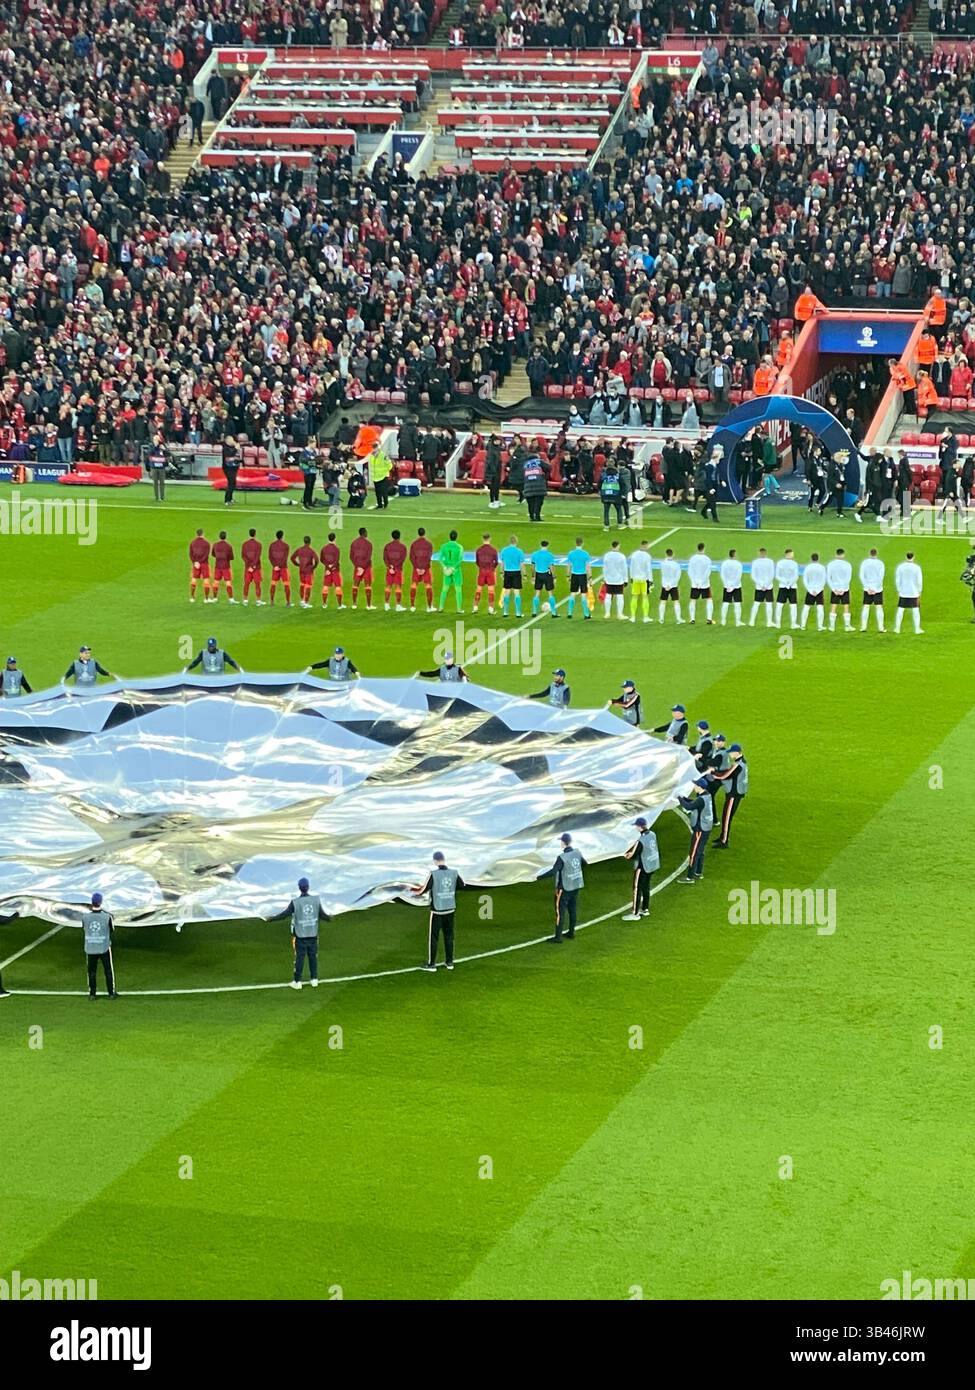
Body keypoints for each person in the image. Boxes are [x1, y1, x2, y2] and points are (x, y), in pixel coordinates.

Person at [269, 877, 330, 990]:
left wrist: (272, 919)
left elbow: (285, 914)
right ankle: (314, 979)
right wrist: (330, 918)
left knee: (300, 959)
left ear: (299, 888)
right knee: (313, 957)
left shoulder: (295, 902)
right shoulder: (316, 900)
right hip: (313, 934)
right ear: (308, 887)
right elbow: (322, 914)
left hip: (301, 936)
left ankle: (297, 981)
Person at [412, 851, 465, 971]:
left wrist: (412, 891)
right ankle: (449, 962)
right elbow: (462, 885)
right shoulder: (454, 873)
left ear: (435, 861)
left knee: (434, 937)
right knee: (449, 936)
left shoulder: (434, 874)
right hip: (450, 908)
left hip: (437, 910)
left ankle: (432, 964)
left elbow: (424, 890)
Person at [539, 832, 587, 943]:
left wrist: (540, 877)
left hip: (564, 888)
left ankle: (558, 937)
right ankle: (571, 932)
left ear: (563, 843)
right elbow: (584, 864)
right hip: (575, 885)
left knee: (560, 912)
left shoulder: (562, 857)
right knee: (572, 910)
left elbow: (554, 871)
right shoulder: (577, 853)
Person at [622, 816, 660, 920]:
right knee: (646, 887)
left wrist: (625, 854)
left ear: (639, 827)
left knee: (637, 888)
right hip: (652, 865)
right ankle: (645, 909)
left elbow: (632, 855)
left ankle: (635, 914)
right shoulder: (652, 834)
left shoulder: (641, 840)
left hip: (643, 867)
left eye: (636, 826)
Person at [82, 891, 118, 999]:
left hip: (90, 947)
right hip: (104, 947)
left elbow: (84, 928)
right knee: (108, 970)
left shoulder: (85, 917)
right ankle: (111, 993)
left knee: (91, 971)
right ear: (101, 902)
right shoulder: (107, 917)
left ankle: (92, 994)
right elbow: (111, 929)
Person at [678, 778, 713, 884]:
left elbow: (689, 806)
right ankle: (698, 872)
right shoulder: (707, 796)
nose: (694, 787)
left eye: (695, 785)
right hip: (706, 827)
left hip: (700, 829)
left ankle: (690, 877)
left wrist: (679, 798)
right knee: (700, 851)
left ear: (699, 787)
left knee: (693, 852)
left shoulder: (701, 799)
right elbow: (694, 803)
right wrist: (684, 798)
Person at [713, 744, 748, 848]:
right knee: (726, 816)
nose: (730, 754)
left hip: (733, 793)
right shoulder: (742, 763)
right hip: (737, 792)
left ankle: (724, 841)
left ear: (737, 752)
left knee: (727, 817)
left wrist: (713, 774)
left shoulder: (738, 765)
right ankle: (722, 837)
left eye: (731, 752)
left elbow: (725, 775)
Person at [894, 551, 924, 634]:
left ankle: (897, 628)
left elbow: (897, 579)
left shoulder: (900, 567)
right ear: (913, 557)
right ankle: (917, 629)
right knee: (915, 610)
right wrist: (919, 590)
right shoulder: (917, 567)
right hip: (914, 592)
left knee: (900, 610)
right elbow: (919, 581)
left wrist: (899, 589)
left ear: (906, 557)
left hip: (903, 591)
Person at [826, 548, 854, 632]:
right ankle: (847, 626)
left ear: (836, 554)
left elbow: (828, 578)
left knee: (833, 606)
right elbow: (848, 578)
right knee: (846, 606)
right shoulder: (847, 564)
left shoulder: (830, 564)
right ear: (843, 555)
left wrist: (834, 589)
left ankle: (832, 626)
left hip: (835, 589)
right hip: (844, 589)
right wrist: (843, 589)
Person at [437, 529, 465, 612]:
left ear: (449, 537)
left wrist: (445, 567)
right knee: (458, 589)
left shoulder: (444, 546)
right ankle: (459, 609)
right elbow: (460, 560)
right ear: (456, 537)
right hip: (456, 570)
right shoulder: (459, 547)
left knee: (445, 589)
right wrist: (453, 568)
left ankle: (441, 607)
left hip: (447, 570)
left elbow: (440, 558)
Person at [859, 548, 886, 632]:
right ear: (876, 554)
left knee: (866, 606)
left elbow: (861, 575)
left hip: (867, 589)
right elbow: (881, 577)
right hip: (877, 589)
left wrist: (867, 588)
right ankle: (881, 628)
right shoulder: (880, 563)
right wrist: (875, 588)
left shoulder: (864, 563)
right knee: (879, 607)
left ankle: (863, 627)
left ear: (869, 553)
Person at [409, 527, 436, 612]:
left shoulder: (414, 544)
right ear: (424, 533)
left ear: (418, 533)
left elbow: (411, 557)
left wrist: (417, 567)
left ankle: (412, 606)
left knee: (414, 585)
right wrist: (424, 568)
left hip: (416, 568)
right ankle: (429, 607)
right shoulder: (429, 544)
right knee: (428, 586)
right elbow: (429, 557)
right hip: (426, 568)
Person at [600, 539, 628, 619]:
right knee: (620, 596)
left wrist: (605, 578)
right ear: (618, 546)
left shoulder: (607, 555)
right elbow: (624, 569)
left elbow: (604, 568)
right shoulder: (621, 556)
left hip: (609, 579)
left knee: (608, 595)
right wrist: (625, 579)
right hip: (619, 579)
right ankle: (620, 614)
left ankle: (607, 613)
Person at [687, 542, 714, 625]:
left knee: (693, 600)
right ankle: (709, 619)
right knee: (709, 599)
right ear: (704, 548)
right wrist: (701, 582)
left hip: (695, 584)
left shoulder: (692, 558)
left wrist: (695, 582)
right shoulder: (707, 559)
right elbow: (707, 572)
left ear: (697, 548)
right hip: (705, 584)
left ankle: (692, 619)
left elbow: (690, 571)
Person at [565, 538, 592, 619]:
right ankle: (586, 614)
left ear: (575, 543)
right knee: (583, 594)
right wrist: (590, 577)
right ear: (582, 543)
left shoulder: (571, 554)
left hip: (574, 575)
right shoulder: (585, 554)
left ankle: (569, 613)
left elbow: (569, 565)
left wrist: (567, 575)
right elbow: (588, 567)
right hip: (582, 575)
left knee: (572, 593)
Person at [472, 533, 499, 614]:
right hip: (490, 571)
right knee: (491, 590)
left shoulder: (479, 550)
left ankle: (475, 607)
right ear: (489, 538)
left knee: (479, 589)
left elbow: (477, 562)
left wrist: (481, 567)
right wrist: (492, 568)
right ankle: (491, 609)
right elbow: (496, 562)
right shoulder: (493, 550)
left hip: (482, 571)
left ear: (483, 539)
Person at [499, 535, 526, 617]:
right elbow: (522, 564)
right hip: (516, 573)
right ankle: (518, 612)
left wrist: (501, 572)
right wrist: (524, 574)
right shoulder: (519, 551)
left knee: (506, 592)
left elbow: (502, 563)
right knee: (516, 592)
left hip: (507, 572)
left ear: (510, 542)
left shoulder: (504, 550)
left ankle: (505, 612)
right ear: (516, 542)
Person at [800, 552, 827, 631]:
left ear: (811, 559)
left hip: (810, 590)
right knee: (820, 608)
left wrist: (810, 590)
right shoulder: (822, 567)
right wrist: (818, 590)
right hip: (819, 590)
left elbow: (805, 580)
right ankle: (820, 626)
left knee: (806, 607)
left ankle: (803, 625)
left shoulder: (808, 567)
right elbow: (823, 580)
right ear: (818, 558)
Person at [530, 539, 558, 617]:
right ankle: (554, 613)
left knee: (537, 593)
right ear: (547, 546)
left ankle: (534, 612)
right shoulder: (550, 555)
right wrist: (554, 576)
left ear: (540, 545)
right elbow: (551, 567)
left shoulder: (535, 554)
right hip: (547, 574)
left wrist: (533, 576)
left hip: (538, 574)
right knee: (550, 593)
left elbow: (532, 566)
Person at [628, 540, 653, 623]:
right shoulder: (647, 556)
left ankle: (633, 617)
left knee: (635, 597)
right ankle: (645, 617)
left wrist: (631, 577)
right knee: (645, 597)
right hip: (644, 579)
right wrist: (651, 580)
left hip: (635, 578)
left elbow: (631, 567)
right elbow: (648, 569)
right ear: (645, 545)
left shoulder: (634, 554)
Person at [749, 547, 775, 628]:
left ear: (759, 553)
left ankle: (752, 621)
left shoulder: (755, 562)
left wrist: (761, 584)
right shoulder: (770, 562)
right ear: (765, 553)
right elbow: (772, 575)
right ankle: (769, 622)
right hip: (768, 586)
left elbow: (753, 576)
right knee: (768, 604)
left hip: (759, 586)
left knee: (757, 604)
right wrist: (766, 585)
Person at [349, 527, 375, 610]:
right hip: (366, 567)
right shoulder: (369, 544)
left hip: (357, 566)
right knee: (367, 585)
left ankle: (354, 604)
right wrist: (363, 568)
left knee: (355, 584)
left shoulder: (354, 543)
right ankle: (368, 605)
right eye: (366, 532)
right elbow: (368, 557)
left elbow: (351, 556)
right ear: (364, 533)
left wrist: (357, 566)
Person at [774, 548, 799, 630]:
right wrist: (789, 583)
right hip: (792, 587)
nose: (793, 555)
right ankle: (793, 624)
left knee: (779, 605)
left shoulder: (780, 563)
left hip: (782, 586)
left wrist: (785, 583)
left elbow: (777, 575)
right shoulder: (794, 563)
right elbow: (796, 576)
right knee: (793, 606)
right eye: (792, 554)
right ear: (789, 554)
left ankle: (778, 624)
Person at [658, 548, 685, 625]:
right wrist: (671, 585)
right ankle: (678, 619)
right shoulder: (676, 565)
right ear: (673, 554)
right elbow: (678, 576)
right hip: (673, 585)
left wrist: (666, 585)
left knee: (663, 602)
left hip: (664, 585)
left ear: (666, 554)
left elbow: (663, 573)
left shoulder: (662, 563)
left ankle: (661, 618)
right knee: (676, 602)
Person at [383, 530, 407, 612]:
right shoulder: (403, 547)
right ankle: (398, 606)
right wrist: (395, 567)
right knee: (398, 587)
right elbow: (402, 559)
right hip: (398, 570)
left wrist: (390, 567)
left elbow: (385, 558)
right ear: (399, 536)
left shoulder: (387, 546)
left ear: (392, 536)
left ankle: (386, 605)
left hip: (389, 570)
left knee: (388, 586)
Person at [291, 534, 318, 609]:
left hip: (301, 570)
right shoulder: (311, 551)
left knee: (302, 584)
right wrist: (314, 567)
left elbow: (292, 558)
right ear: (310, 542)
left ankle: (302, 600)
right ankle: (306, 602)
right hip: (308, 571)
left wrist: (297, 564)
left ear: (304, 541)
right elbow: (317, 560)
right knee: (308, 585)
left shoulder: (299, 549)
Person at [318, 531, 344, 609]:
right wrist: (332, 567)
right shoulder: (336, 549)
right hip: (335, 570)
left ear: (328, 539)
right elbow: (336, 561)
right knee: (338, 587)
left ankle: (324, 604)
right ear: (335, 539)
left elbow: (321, 559)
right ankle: (339, 605)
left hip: (327, 571)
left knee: (325, 587)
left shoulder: (324, 548)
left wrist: (328, 567)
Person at [719, 549, 744, 627]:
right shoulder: (738, 564)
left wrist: (727, 585)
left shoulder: (725, 563)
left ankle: (723, 620)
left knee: (725, 603)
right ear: (735, 554)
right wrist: (733, 586)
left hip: (727, 586)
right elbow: (738, 577)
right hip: (736, 586)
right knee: (737, 604)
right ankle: (738, 622)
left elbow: (722, 575)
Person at [212, 531, 237, 605]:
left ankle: (215, 598)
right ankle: (231, 599)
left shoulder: (215, 545)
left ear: (219, 537)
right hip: (226, 566)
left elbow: (213, 554)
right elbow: (231, 557)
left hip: (217, 566)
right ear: (225, 537)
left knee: (216, 582)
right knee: (228, 582)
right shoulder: (228, 546)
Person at [268, 530, 292, 607]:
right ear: (282, 536)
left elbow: (270, 557)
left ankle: (272, 602)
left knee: (273, 584)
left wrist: (275, 565)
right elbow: (285, 558)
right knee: (286, 585)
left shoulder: (272, 545)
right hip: (283, 568)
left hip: (275, 568)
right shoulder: (286, 546)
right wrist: (279, 566)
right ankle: (288, 602)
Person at [241, 529, 264, 607]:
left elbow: (243, 556)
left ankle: (245, 600)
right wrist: (253, 566)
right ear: (255, 534)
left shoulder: (244, 544)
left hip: (247, 568)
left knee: (246, 584)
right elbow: (257, 557)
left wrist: (248, 565)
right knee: (257, 584)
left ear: (249, 534)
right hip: (256, 568)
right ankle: (258, 601)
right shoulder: (259, 544)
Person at [189, 528, 212, 604]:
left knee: (193, 580)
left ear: (197, 534)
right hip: (204, 563)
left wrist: (195, 562)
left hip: (196, 564)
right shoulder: (207, 543)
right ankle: (206, 599)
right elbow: (206, 555)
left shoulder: (192, 543)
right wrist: (200, 562)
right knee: (206, 581)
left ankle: (192, 598)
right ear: (202, 534)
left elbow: (190, 554)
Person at [600, 464, 625, 529]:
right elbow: (623, 484)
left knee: (606, 511)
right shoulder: (618, 476)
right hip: (616, 495)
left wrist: (601, 492)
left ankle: (606, 526)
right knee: (619, 509)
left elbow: (599, 484)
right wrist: (623, 494)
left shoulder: (603, 476)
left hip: (605, 495)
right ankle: (619, 524)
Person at [485, 435, 504, 508]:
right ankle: (492, 501)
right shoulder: (491, 449)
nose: (499, 442)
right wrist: (493, 470)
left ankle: (497, 500)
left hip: (498, 470)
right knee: (493, 487)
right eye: (498, 440)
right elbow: (490, 462)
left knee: (497, 487)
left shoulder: (497, 449)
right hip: (492, 471)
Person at [147, 434, 167, 502]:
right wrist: (155, 447)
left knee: (162, 482)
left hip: (161, 467)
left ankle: (162, 496)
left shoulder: (162, 446)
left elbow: (168, 454)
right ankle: (156, 497)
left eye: (156, 440)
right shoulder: (151, 446)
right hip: (154, 467)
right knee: (155, 482)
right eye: (154, 440)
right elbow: (149, 453)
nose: (155, 441)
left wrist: (164, 450)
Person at [221, 435, 240, 506]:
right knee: (231, 482)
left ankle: (230, 498)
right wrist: (235, 448)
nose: (233, 441)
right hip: (227, 468)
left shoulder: (233, 447)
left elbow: (237, 456)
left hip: (234, 467)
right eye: (231, 440)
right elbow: (229, 456)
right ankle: (227, 500)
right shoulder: (225, 449)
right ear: (227, 441)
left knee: (233, 483)